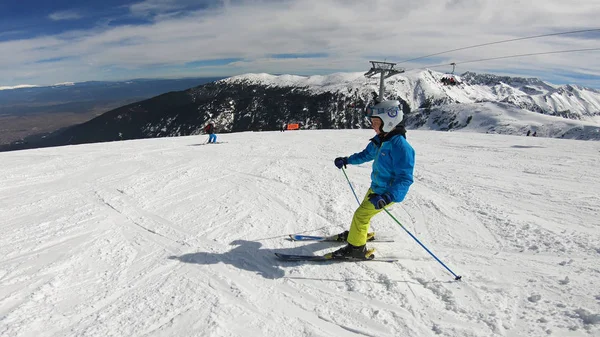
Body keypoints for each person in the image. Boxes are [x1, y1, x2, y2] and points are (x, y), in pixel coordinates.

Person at [332, 100, 415, 259]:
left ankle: (356, 249)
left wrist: (388, 196)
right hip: (376, 188)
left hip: (386, 193)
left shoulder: (401, 147)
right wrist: (347, 160)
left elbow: (405, 178)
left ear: (389, 122)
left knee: (361, 215)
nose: (373, 126)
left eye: (376, 122)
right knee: (362, 214)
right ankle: (358, 234)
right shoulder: (381, 140)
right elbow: (365, 155)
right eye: (372, 122)